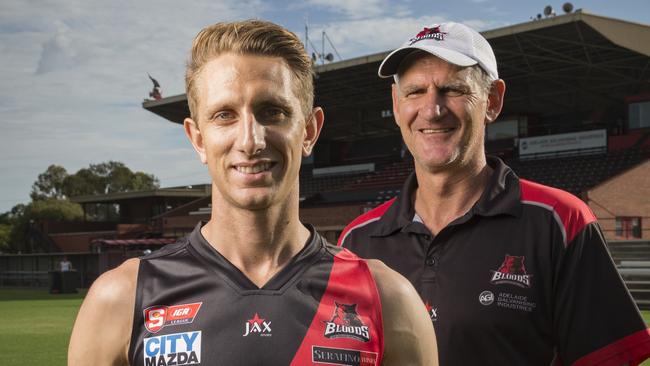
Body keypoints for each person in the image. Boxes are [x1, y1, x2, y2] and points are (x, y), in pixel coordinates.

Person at [68, 20, 437, 366]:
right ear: (197, 138)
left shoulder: (387, 298)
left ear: (309, 130)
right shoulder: (121, 299)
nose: (250, 140)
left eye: (272, 112)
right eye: (224, 115)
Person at [338, 22, 650, 365]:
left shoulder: (559, 222)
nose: (432, 109)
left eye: (453, 89)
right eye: (415, 92)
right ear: (397, 105)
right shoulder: (356, 241)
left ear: (493, 100)